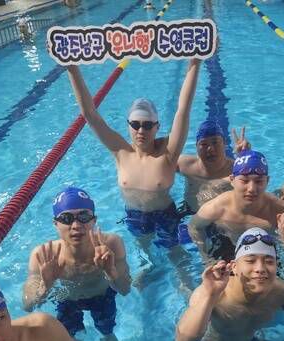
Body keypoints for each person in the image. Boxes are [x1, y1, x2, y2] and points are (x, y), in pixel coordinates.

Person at [66, 59, 202, 251]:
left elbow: (183, 110)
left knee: (177, 256)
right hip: (134, 216)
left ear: (157, 127)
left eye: (147, 125)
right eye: (135, 125)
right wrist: (71, 67)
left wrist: (196, 62)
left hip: (165, 216)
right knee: (145, 255)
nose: (141, 131)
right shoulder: (120, 152)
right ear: (128, 125)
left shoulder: (168, 153)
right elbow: (90, 114)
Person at [23, 187, 130, 341]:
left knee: (107, 333)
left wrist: (110, 272)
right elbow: (27, 305)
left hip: (102, 296)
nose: (76, 225)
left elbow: (125, 290)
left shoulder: (112, 243)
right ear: (55, 223)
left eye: (84, 216)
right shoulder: (43, 255)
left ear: (94, 220)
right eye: (66, 218)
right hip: (67, 299)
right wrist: (46, 286)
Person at [189, 149, 284, 263]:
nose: (251, 189)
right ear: (232, 180)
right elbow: (194, 227)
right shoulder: (217, 208)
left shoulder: (281, 210)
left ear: (267, 181)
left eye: (258, 181)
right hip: (227, 244)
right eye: (244, 181)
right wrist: (207, 259)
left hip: (265, 251)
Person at [177, 122, 252, 216]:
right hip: (189, 211)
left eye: (215, 142)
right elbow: (163, 162)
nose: (210, 149)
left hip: (221, 216)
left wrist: (246, 158)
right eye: (204, 144)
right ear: (196, 147)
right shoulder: (185, 165)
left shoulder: (236, 169)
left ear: (224, 144)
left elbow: (254, 185)